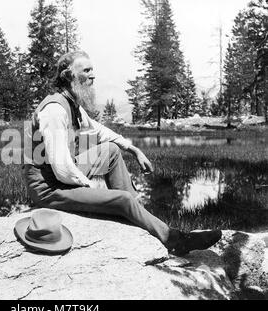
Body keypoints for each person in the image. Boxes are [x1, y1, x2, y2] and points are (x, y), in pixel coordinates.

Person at [22, 51, 221, 257]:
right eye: (87, 70)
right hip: (48, 188)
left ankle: (137, 213)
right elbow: (62, 168)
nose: (93, 76)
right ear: (68, 76)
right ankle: (175, 240)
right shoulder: (55, 110)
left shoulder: (72, 104)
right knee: (122, 200)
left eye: (93, 70)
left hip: (59, 176)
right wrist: (92, 189)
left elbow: (98, 131)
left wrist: (133, 149)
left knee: (111, 150)